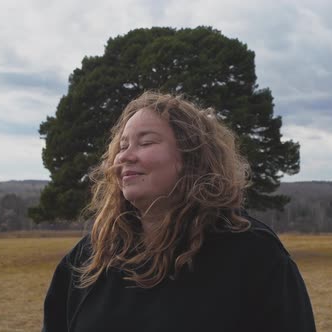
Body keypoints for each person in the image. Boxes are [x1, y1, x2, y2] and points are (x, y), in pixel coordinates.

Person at [42, 91, 316, 332]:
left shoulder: (252, 253)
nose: (125, 156)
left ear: (191, 158)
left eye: (146, 142)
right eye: (122, 146)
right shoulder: (89, 258)